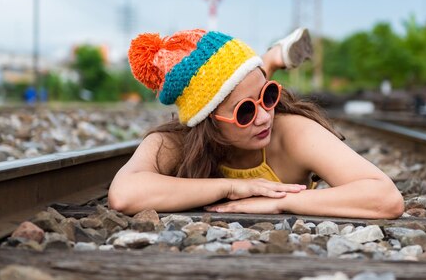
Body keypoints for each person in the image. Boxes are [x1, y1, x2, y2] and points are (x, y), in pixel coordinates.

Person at [108, 28, 404, 218]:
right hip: (222, 98)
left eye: (269, 94)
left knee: (246, 84)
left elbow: (386, 198)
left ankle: (270, 61)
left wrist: (282, 202)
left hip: (244, 87)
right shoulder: (177, 142)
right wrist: (231, 188)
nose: (264, 116)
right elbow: (124, 195)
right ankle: (270, 59)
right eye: (245, 112)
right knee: (242, 84)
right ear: (208, 121)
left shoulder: (291, 132)